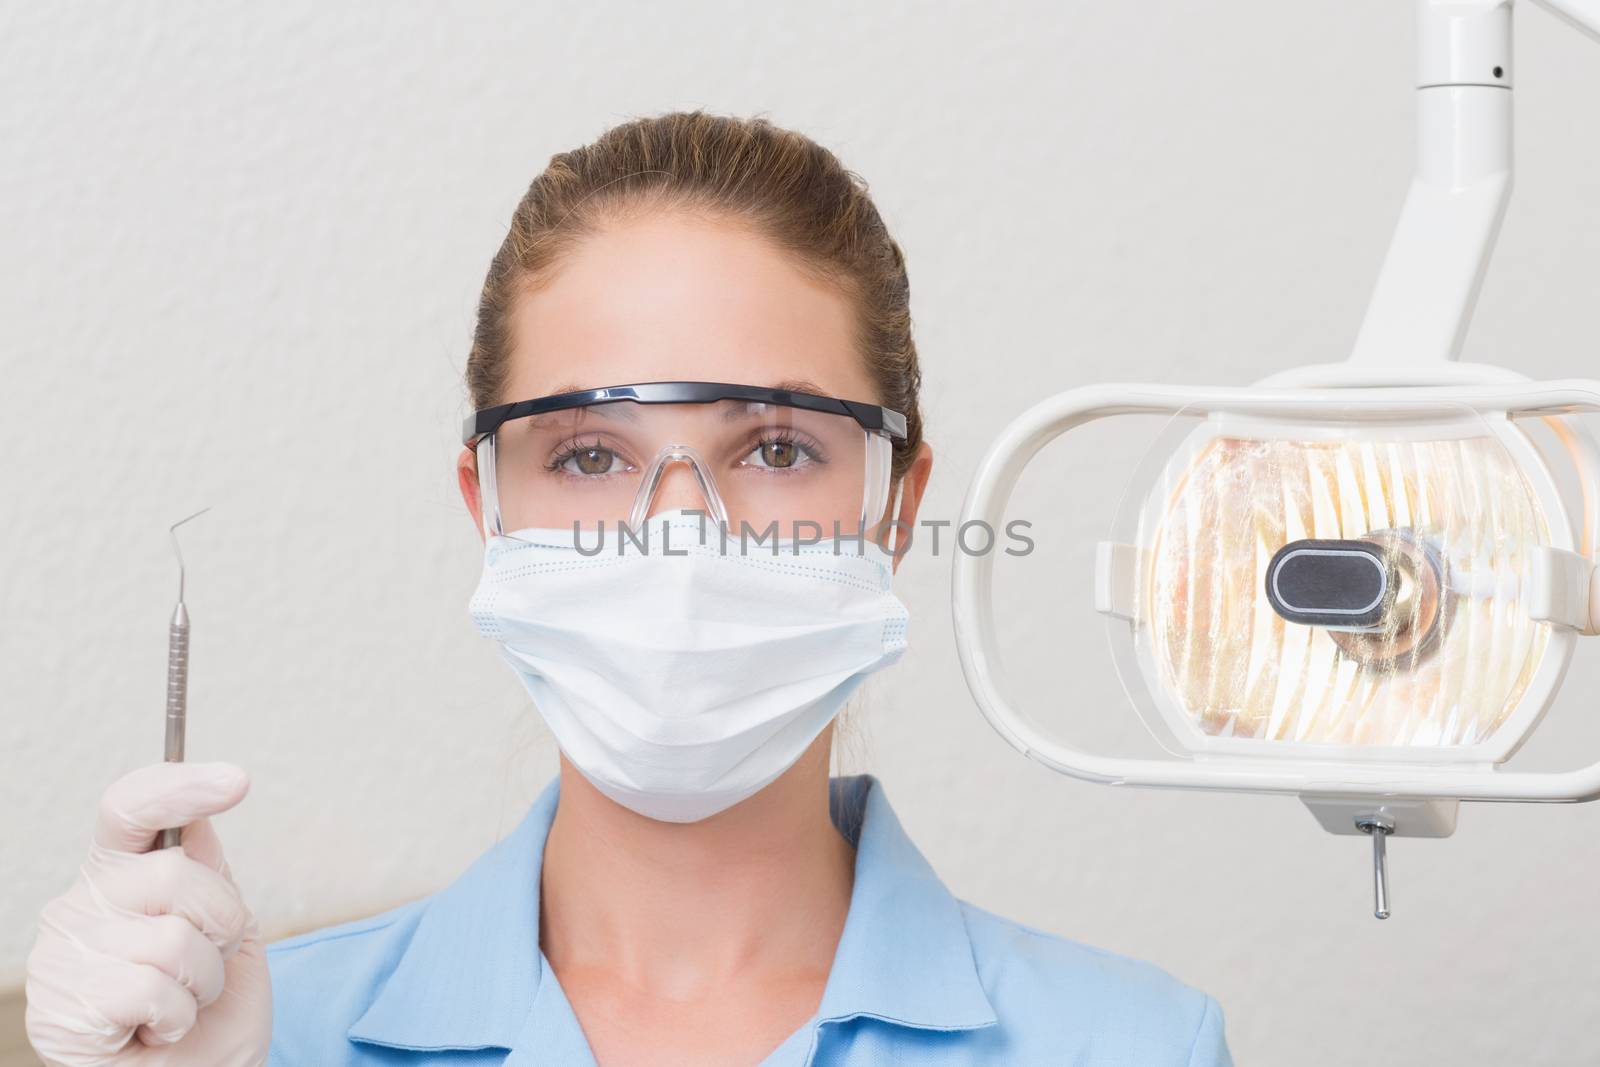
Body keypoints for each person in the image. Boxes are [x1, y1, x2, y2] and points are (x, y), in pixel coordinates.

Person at [24, 110, 1235, 1067]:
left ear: (897, 504)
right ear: (486, 506)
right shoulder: (262, 1038)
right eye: (590, 456)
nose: (677, 539)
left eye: (772, 449)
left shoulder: (1132, 1047)